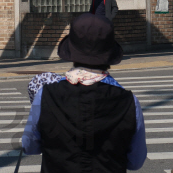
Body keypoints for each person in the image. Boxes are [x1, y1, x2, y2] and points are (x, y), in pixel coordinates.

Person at [22, 13, 147, 172]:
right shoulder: (129, 102)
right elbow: (135, 161)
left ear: (71, 51)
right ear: (109, 53)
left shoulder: (45, 95)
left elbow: (29, 145)